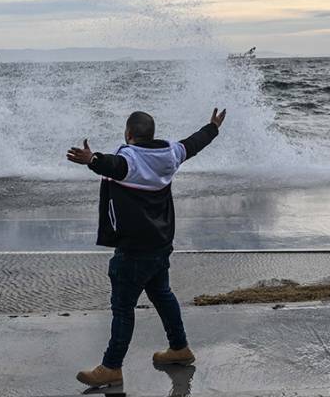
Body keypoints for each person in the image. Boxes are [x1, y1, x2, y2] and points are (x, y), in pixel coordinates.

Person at [65, 107, 227, 389]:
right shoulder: (170, 154)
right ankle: (179, 349)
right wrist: (212, 128)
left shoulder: (130, 160)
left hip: (134, 251)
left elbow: (113, 166)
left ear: (129, 135)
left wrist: (91, 159)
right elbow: (193, 144)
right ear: (151, 135)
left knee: (123, 309)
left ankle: (111, 367)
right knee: (162, 295)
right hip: (160, 245)